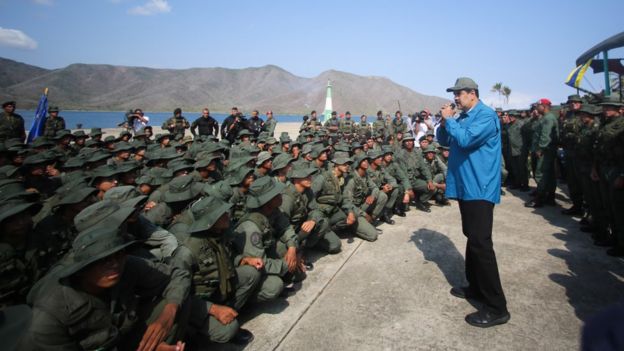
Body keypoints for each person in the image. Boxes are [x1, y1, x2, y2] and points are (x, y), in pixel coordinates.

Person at [438, 77, 509, 328]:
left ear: (472, 93)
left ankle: (497, 307)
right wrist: (445, 121)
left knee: (481, 242)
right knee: (472, 236)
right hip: (466, 186)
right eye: (455, 94)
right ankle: (476, 287)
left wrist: (450, 120)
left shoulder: (486, 116)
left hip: (480, 187)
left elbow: (467, 141)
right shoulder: (464, 118)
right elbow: (445, 140)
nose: (456, 98)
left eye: (459, 94)